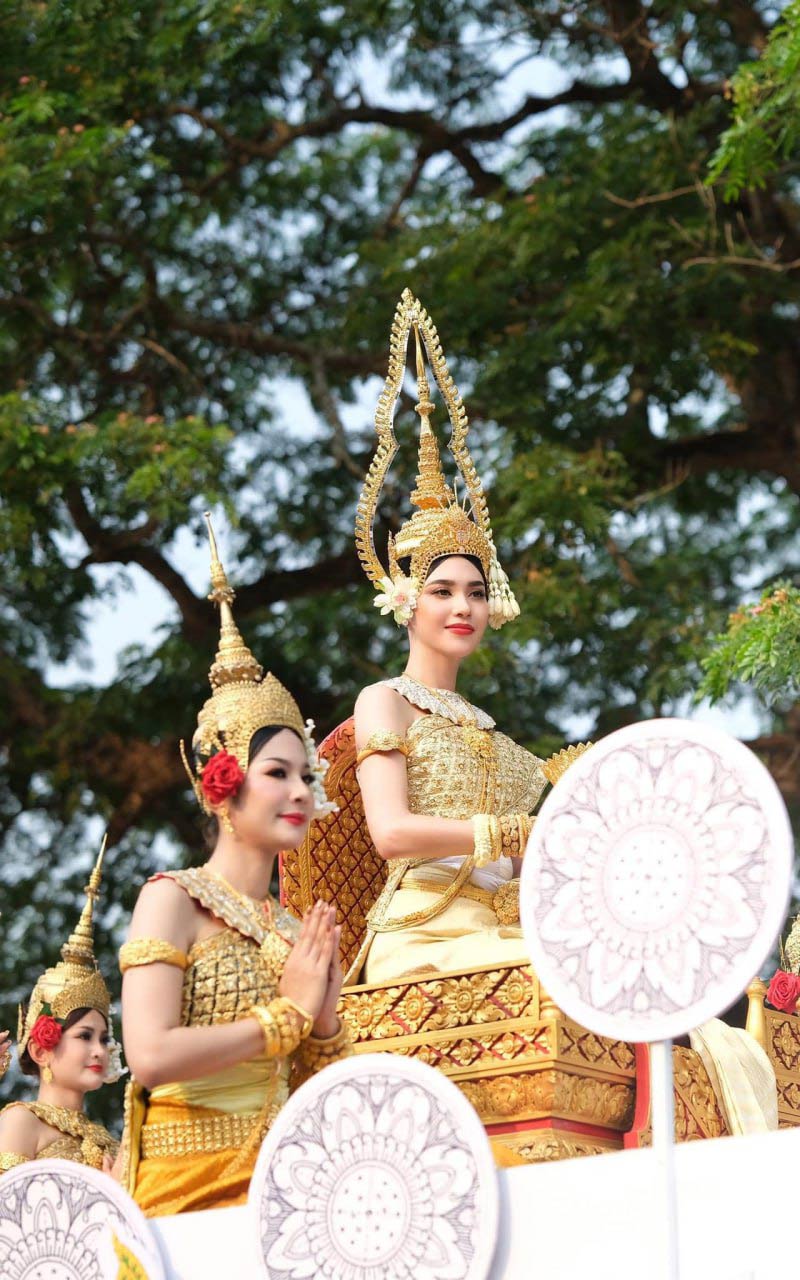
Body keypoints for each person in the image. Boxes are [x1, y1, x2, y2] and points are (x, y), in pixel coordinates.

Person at [119, 514, 351, 1217]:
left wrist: (328, 1021)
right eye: (278, 772)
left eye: (307, 777)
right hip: (190, 1191)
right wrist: (285, 1016)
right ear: (221, 781)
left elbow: (319, 1071)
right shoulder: (173, 900)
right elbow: (151, 1054)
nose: (300, 793)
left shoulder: (293, 925)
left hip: (288, 1181)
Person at [353, 288, 554, 983]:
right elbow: (391, 834)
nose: (462, 606)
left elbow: (528, 861)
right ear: (405, 602)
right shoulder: (386, 702)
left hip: (506, 927)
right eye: (441, 592)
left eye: (474, 591)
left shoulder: (500, 738)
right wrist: (503, 833)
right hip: (425, 929)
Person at [0, 841, 122, 1173]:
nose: (99, 1050)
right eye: (85, 1036)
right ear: (41, 1050)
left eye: (103, 1038)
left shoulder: (112, 1143)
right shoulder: (22, 1120)